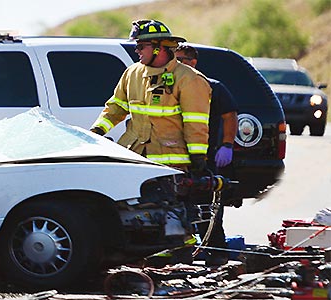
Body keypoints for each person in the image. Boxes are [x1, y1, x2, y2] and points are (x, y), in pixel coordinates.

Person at [90, 19, 211, 173]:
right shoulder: (132, 74)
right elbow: (116, 108)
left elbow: (195, 123)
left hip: (171, 166)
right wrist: (97, 132)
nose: (136, 50)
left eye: (141, 46)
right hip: (134, 159)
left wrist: (198, 159)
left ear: (158, 48)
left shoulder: (189, 79)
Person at [175, 44, 239, 266]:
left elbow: (230, 115)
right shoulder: (170, 87)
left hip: (206, 158)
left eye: (181, 59)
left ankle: (217, 255)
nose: (176, 64)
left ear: (193, 63)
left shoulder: (212, 87)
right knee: (177, 211)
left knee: (207, 211)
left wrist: (227, 145)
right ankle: (182, 256)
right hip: (175, 158)